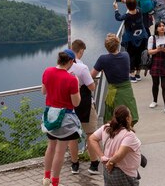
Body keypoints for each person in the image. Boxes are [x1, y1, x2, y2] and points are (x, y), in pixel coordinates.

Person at [40, 50, 82, 186]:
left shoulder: (47, 71)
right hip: (65, 119)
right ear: (70, 62)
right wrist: (78, 88)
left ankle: (46, 178)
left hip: (50, 116)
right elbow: (76, 103)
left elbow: (43, 92)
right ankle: (55, 183)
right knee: (60, 151)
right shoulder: (71, 79)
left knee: (50, 147)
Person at [67, 40, 100, 176]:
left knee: (72, 136)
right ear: (80, 51)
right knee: (91, 134)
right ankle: (93, 164)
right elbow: (91, 86)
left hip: (69, 104)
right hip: (84, 104)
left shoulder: (64, 68)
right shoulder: (82, 68)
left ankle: (75, 165)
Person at [92, 34, 139, 126]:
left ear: (106, 46)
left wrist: (103, 67)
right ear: (118, 44)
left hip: (113, 93)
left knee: (114, 120)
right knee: (128, 117)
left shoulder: (103, 59)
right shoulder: (126, 55)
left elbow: (92, 75)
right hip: (126, 91)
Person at [88, 105, 142, 186]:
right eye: (130, 115)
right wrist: (111, 163)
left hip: (108, 172)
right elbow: (119, 154)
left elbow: (92, 139)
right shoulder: (129, 135)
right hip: (123, 173)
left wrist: (102, 156)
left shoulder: (106, 128)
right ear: (127, 118)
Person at [114, 0, 147, 82]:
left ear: (127, 7)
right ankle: (138, 74)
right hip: (141, 37)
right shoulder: (139, 11)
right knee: (139, 55)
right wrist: (126, 2)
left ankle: (132, 75)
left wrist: (116, 9)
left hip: (131, 40)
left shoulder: (127, 16)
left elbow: (118, 17)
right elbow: (135, 7)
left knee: (131, 56)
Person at [148, 21, 165, 115]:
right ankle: (154, 100)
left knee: (164, 86)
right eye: (159, 26)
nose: (162, 28)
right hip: (155, 63)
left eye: (163, 26)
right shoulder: (152, 38)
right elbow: (149, 51)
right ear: (156, 29)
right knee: (155, 84)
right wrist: (157, 50)